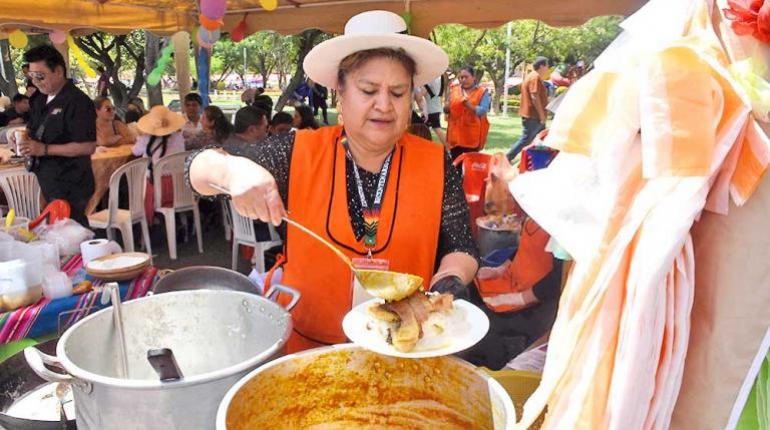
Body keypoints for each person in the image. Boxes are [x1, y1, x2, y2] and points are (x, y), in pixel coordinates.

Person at [187, 10, 478, 353]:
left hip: (406, 351)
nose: (384, 105)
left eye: (398, 93)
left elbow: (461, 245)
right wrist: (231, 172)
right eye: (368, 90)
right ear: (340, 91)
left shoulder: (433, 161)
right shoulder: (297, 151)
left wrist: (448, 283)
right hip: (309, 349)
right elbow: (196, 169)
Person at [17, 45, 96, 227]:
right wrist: (22, 138)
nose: (36, 82)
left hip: (72, 180)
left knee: (72, 231)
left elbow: (88, 146)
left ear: (58, 71)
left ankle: (81, 255)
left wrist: (44, 149)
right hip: (47, 178)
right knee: (54, 232)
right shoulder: (38, 98)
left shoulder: (78, 102)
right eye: (31, 76)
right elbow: (33, 128)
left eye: (40, 76)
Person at [131, 105, 185, 223]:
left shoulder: (146, 139)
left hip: (158, 191)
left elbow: (135, 151)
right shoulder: (179, 137)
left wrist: (139, 137)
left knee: (139, 182)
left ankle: (148, 224)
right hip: (181, 189)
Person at [507, 56, 550, 161]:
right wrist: (541, 115)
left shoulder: (533, 76)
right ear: (541, 66)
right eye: (547, 66)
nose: (548, 69)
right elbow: (534, 96)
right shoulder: (534, 77)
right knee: (526, 139)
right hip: (533, 116)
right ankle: (507, 158)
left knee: (541, 139)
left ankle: (535, 161)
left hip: (536, 116)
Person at [444, 66, 491, 160]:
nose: (463, 79)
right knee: (455, 166)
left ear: (474, 77)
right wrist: (447, 107)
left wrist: (469, 105)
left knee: (469, 167)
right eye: (461, 77)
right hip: (455, 137)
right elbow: (446, 109)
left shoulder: (482, 92)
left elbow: (483, 111)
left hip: (471, 138)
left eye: (466, 77)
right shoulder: (454, 90)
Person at [414, 75, 446, 144]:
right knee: (431, 129)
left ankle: (449, 149)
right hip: (436, 107)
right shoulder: (439, 78)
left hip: (430, 109)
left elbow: (420, 94)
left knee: (426, 129)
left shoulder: (429, 80)